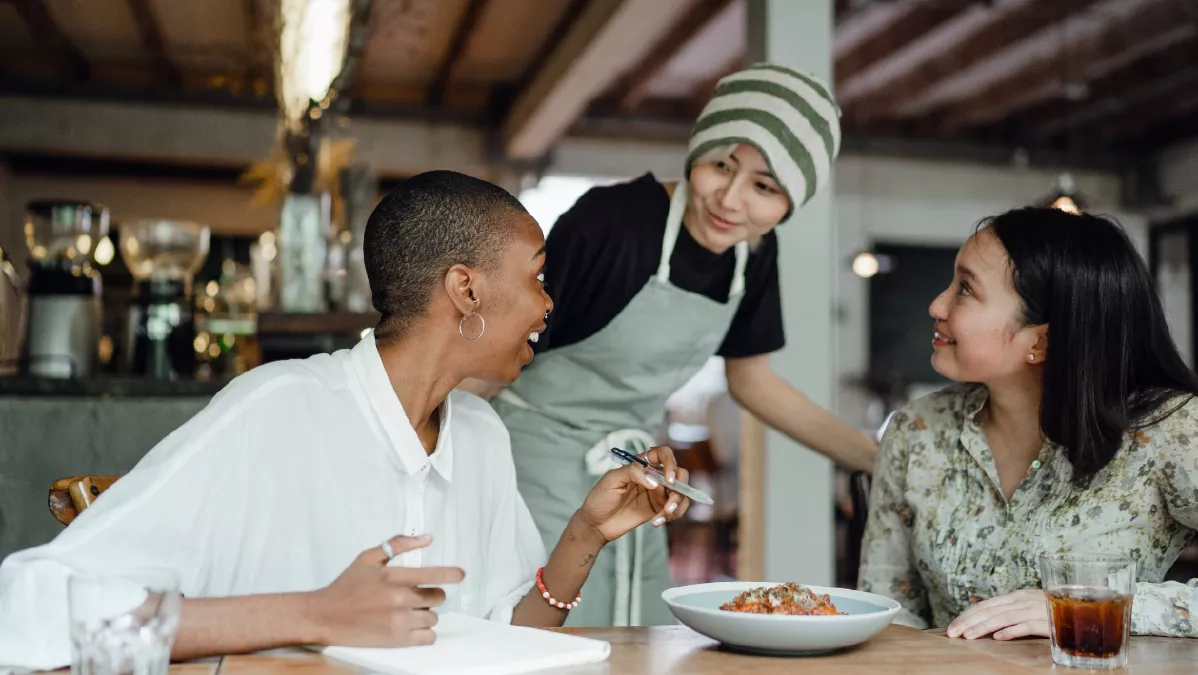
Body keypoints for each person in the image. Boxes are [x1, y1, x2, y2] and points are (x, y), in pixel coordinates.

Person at [0, 171, 692, 670]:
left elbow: (509, 640)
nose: (548, 304)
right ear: (466, 289)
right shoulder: (277, 407)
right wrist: (314, 613)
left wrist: (586, 532)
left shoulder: (482, 434)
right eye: (537, 276)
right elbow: (26, 605)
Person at [479, 64, 877, 627]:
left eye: (764, 187)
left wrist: (876, 460)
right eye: (721, 166)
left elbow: (753, 382)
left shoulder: (755, 256)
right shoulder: (612, 221)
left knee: (635, 633)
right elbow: (495, 351)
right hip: (531, 460)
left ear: (790, 204)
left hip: (634, 470)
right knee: (545, 632)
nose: (730, 201)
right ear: (697, 151)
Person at [858, 207, 1198, 640]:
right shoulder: (917, 430)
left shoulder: (1169, 430)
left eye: (966, 289)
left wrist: (1089, 608)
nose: (936, 305)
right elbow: (886, 612)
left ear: (1041, 340)